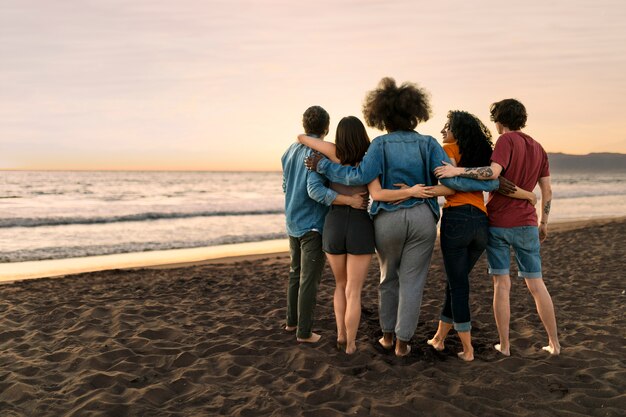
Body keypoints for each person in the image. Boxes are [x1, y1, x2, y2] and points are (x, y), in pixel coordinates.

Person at [305, 77, 501, 357]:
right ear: (414, 113)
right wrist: (428, 191)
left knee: (388, 278)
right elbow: (451, 180)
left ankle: (386, 337)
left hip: (388, 219)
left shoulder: (380, 144)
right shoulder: (429, 143)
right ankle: (402, 343)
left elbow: (359, 176)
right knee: (413, 282)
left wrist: (323, 166)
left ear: (382, 116)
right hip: (422, 218)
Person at [298, 116, 446, 354]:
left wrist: (312, 147)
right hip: (359, 225)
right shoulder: (368, 158)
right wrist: (410, 191)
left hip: (334, 223)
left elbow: (308, 153)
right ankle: (354, 344)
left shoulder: (328, 156)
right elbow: (375, 191)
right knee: (354, 290)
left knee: (341, 285)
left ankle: (341, 336)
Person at [434, 98, 561, 356]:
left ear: (499, 121)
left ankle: (504, 345)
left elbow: (492, 175)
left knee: (501, 285)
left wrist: (457, 172)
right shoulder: (539, 148)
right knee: (537, 285)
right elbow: (546, 190)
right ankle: (554, 343)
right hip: (527, 223)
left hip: (499, 223)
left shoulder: (505, 140)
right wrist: (543, 221)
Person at [281, 106, 367, 344]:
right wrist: (350, 200)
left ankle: (291, 322)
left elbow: (286, 186)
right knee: (309, 279)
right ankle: (305, 333)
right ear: (327, 128)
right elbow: (315, 190)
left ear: (305, 125)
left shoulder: (289, 151)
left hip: (292, 220)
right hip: (313, 224)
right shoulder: (318, 154)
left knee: (294, 274)